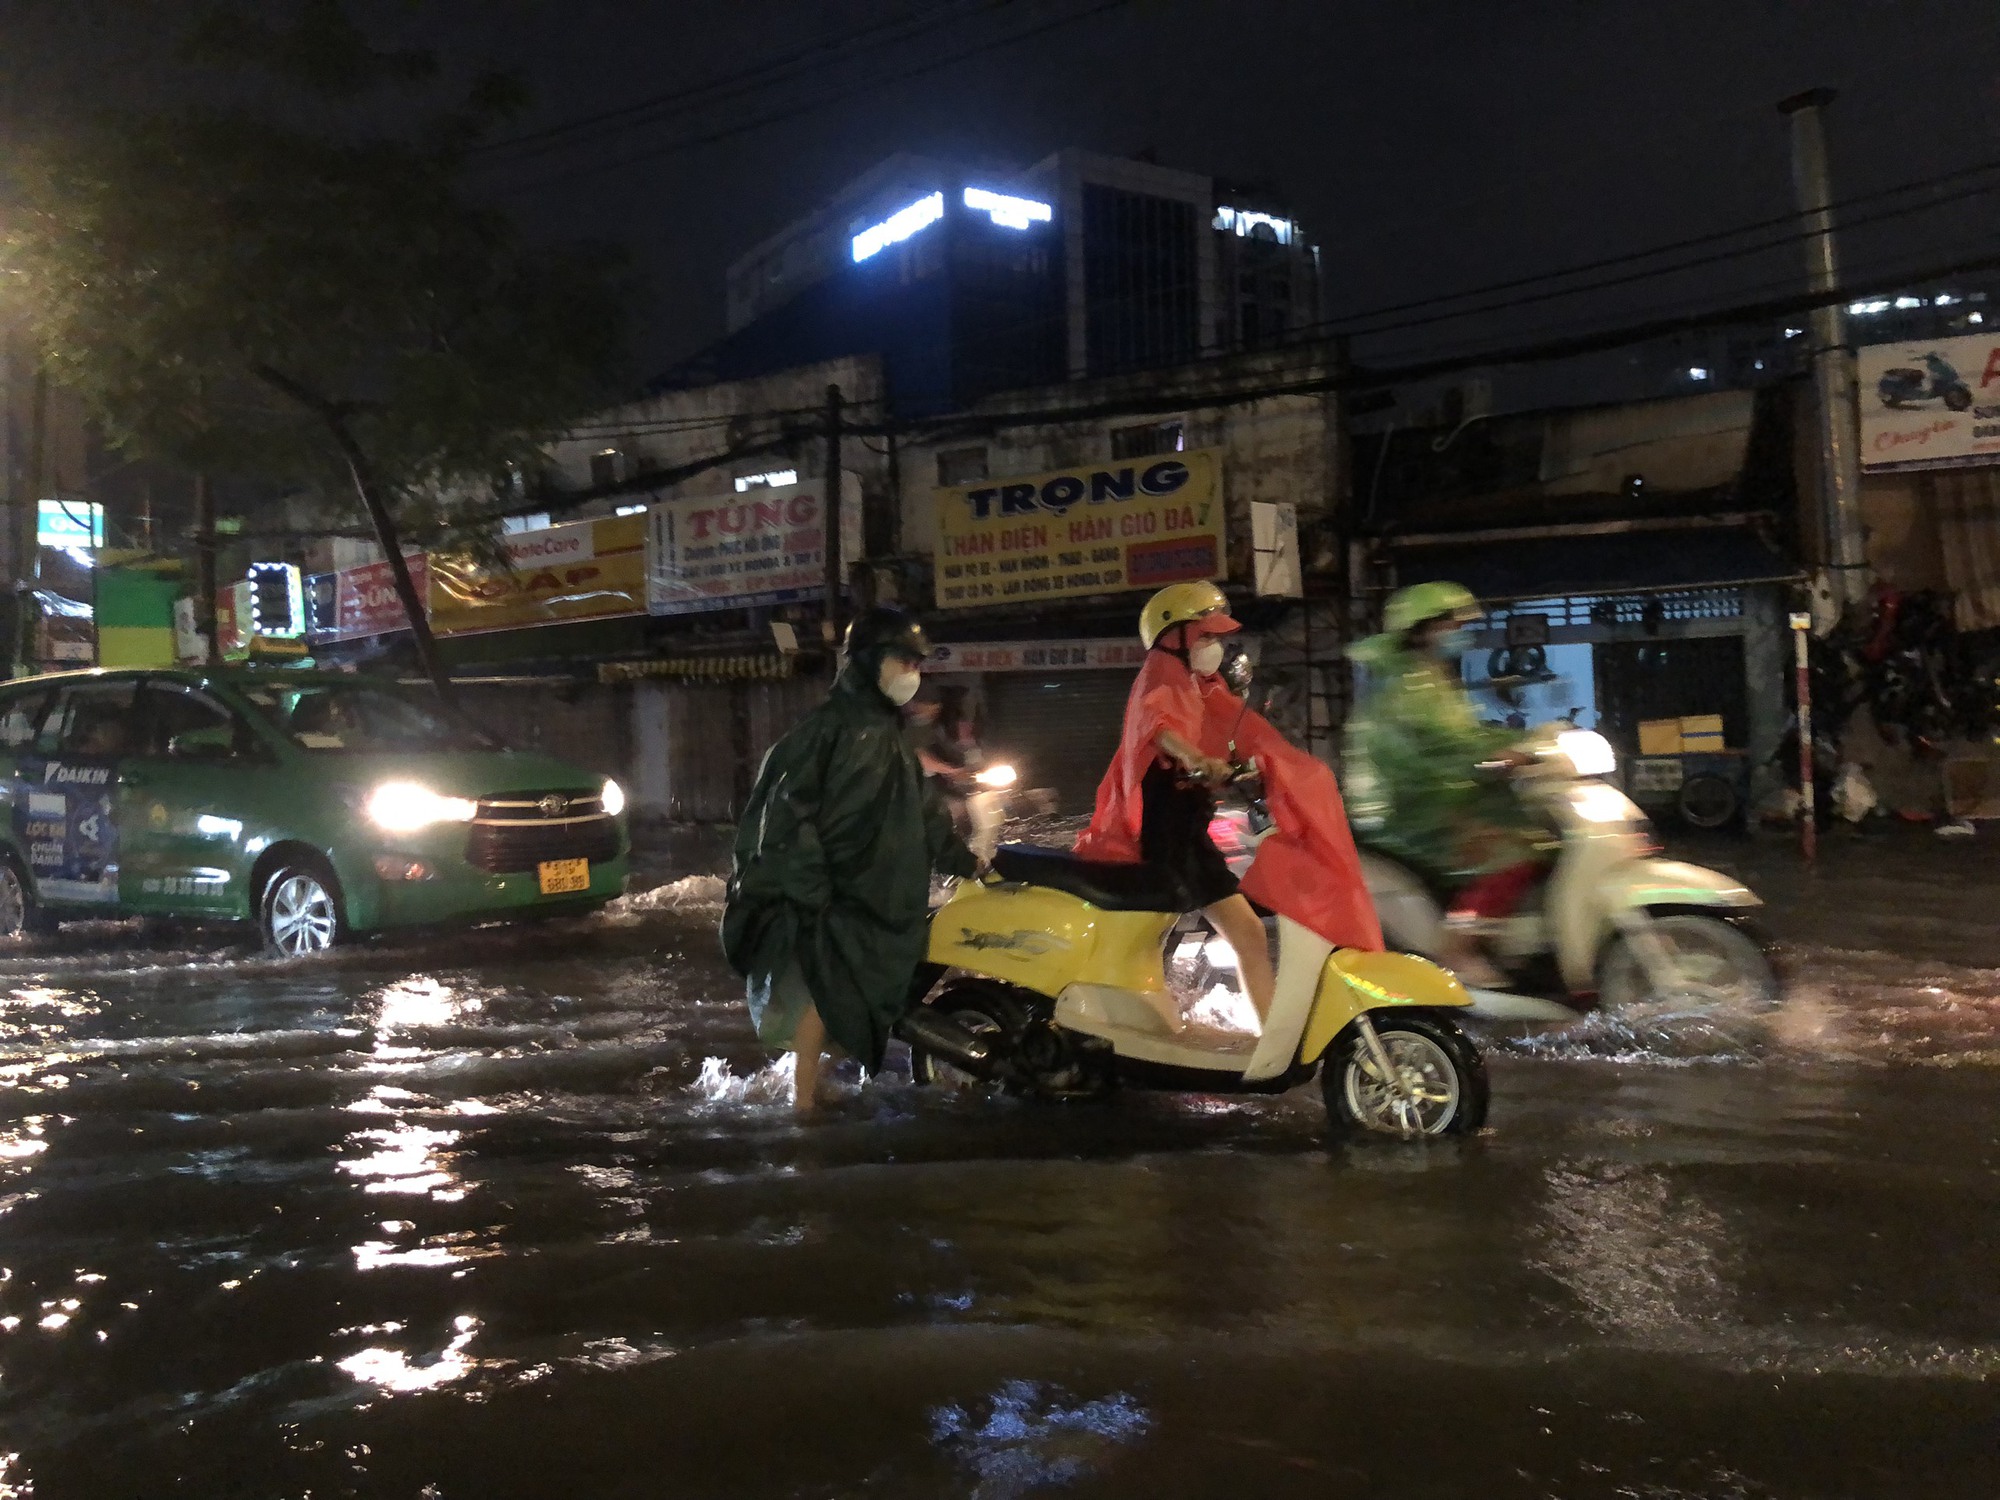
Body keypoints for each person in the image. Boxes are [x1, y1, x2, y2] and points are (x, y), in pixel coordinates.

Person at [721, 606, 979, 1116]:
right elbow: (786, 819)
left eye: (915, 664)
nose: (912, 675)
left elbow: (923, 811)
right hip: (839, 895)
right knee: (829, 992)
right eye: (901, 661)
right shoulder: (830, 730)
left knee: (850, 992)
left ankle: (811, 1087)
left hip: (878, 894)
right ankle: (802, 1102)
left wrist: (966, 862)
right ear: (866, 661)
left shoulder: (887, 734)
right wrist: (812, 888)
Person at [1073, 582, 1278, 1022]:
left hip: (1188, 833)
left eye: (1217, 637)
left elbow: (1228, 727)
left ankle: (1274, 1042)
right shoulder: (1161, 675)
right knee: (1156, 935)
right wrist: (1195, 757)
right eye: (1205, 636)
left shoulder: (1197, 683)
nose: (1215, 646)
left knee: (1248, 934)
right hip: (1163, 837)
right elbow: (1157, 725)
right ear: (1174, 636)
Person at [1344, 581, 1542, 988]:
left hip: (1433, 796)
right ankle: (1460, 949)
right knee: (1514, 852)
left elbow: (1465, 735)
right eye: (1453, 623)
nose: (1461, 632)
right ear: (1423, 629)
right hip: (1413, 809)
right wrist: (1509, 754)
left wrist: (1523, 743)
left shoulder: (1427, 677)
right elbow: (1452, 744)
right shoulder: (1412, 685)